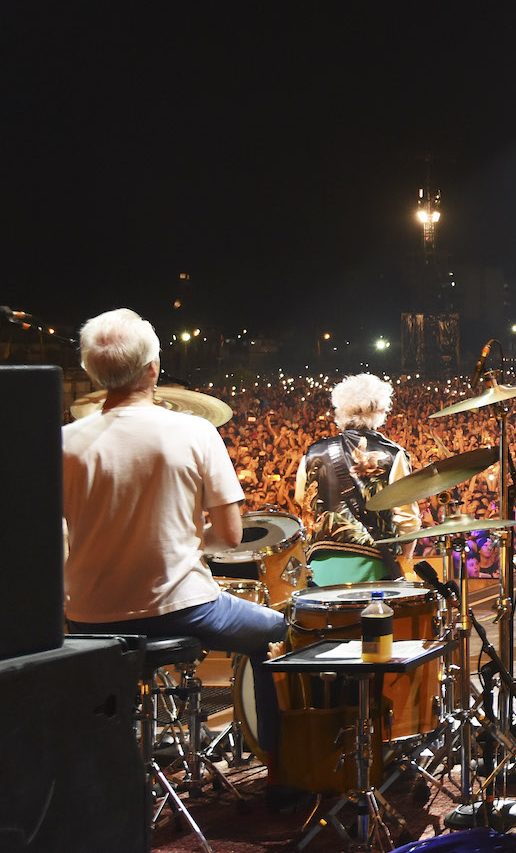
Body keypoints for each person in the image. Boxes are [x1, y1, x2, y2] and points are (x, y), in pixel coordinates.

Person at [63, 309, 286, 754]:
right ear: (153, 369)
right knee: (278, 632)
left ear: (91, 373)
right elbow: (231, 536)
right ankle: (282, 769)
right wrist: (184, 538)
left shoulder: (64, 442)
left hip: (86, 618)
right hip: (181, 608)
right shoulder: (195, 431)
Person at [294, 374, 420, 585]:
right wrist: (404, 560)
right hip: (374, 565)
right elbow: (407, 520)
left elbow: (302, 499)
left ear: (339, 410)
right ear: (381, 410)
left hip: (319, 566)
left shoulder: (313, 452)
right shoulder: (393, 454)